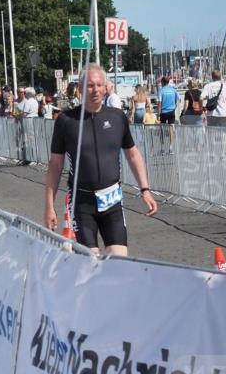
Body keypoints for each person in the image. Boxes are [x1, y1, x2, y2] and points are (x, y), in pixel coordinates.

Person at [44, 65, 157, 256]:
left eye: (99, 85)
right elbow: (55, 166)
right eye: (89, 86)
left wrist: (145, 190)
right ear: (80, 89)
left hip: (112, 201)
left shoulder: (117, 117)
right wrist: (49, 206)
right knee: (90, 265)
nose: (95, 90)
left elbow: (133, 154)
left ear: (105, 88)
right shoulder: (66, 121)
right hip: (82, 203)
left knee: (119, 261)